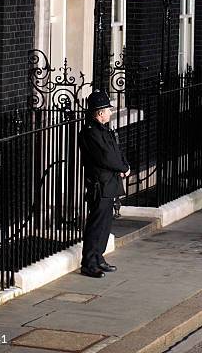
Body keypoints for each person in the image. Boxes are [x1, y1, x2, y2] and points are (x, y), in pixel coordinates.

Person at [78, 90, 130, 278]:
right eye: (108, 109)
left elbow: (115, 151)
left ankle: (98, 257)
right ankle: (89, 263)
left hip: (109, 183)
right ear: (100, 112)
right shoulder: (90, 133)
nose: (110, 112)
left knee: (105, 224)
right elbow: (106, 157)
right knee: (96, 224)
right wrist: (122, 168)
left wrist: (125, 166)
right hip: (100, 184)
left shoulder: (103, 130)